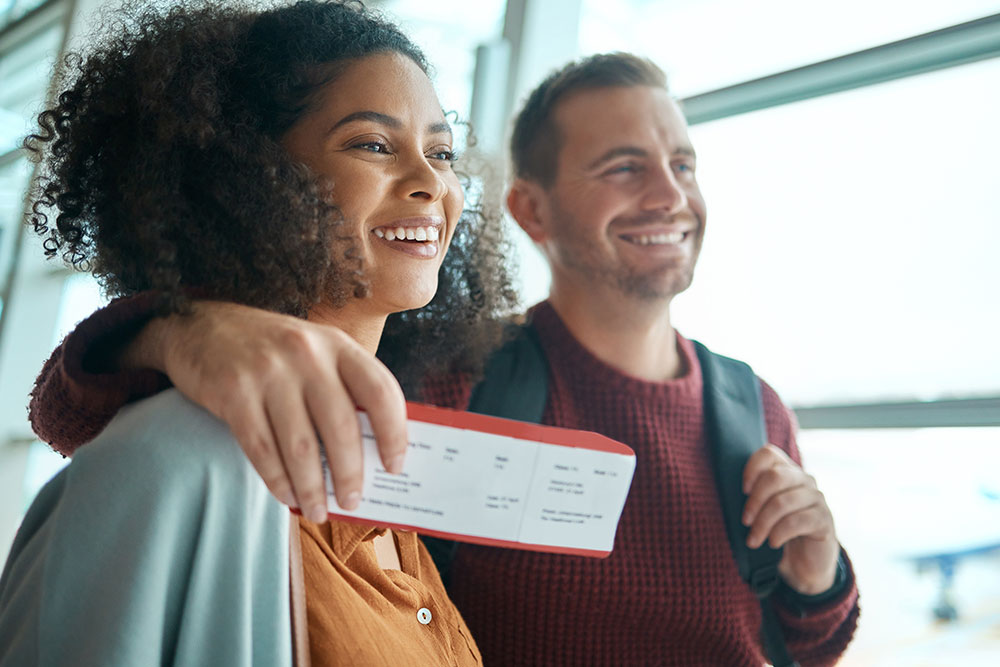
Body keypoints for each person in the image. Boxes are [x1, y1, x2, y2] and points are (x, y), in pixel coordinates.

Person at [23, 54, 860, 665]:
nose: (671, 195)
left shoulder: (754, 410)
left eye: (682, 165)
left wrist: (822, 579)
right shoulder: (453, 384)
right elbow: (90, 419)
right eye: (624, 167)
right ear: (531, 212)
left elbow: (797, 641)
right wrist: (175, 327)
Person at [0, 1, 521, 665]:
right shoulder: (175, 462)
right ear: (246, 178)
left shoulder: (382, 471)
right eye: (373, 144)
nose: (432, 183)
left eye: (442, 152)